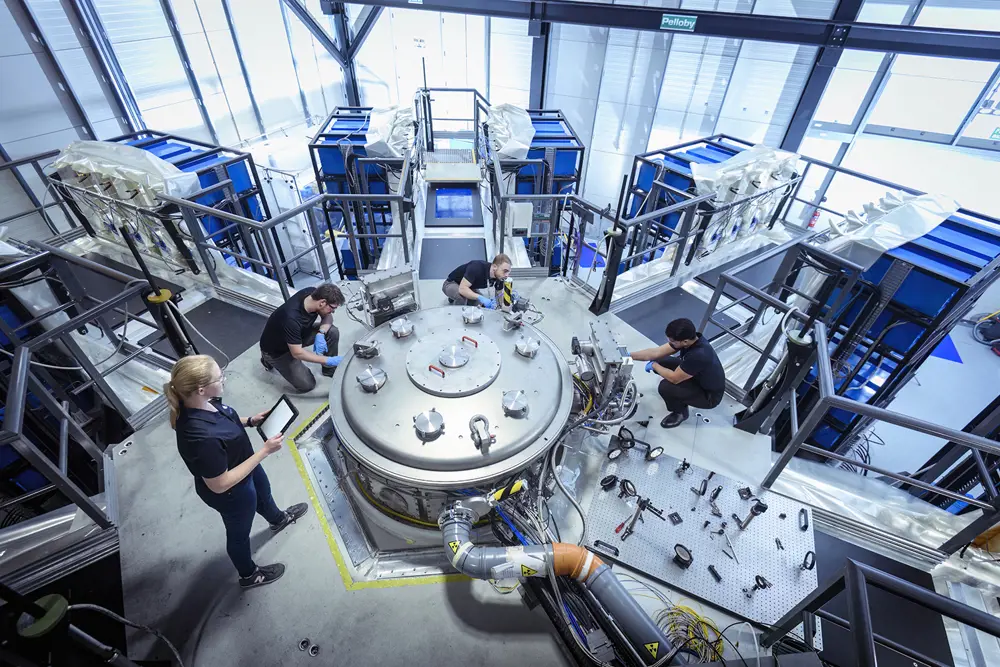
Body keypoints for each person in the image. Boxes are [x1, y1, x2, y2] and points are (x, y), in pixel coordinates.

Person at [166, 355, 308, 589]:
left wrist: (251, 421)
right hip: (232, 492)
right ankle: (249, 574)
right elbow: (219, 484)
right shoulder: (200, 438)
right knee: (239, 534)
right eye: (219, 377)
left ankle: (277, 519)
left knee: (264, 494)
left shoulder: (202, 401)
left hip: (245, 465)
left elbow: (225, 418)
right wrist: (264, 452)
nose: (223, 379)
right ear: (201, 389)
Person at [630, 318, 726, 429]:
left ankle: (680, 413)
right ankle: (683, 394)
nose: (670, 343)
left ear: (684, 341)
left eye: (672, 342)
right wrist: (628, 355)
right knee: (661, 361)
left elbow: (674, 378)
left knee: (666, 387)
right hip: (697, 376)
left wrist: (654, 366)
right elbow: (655, 353)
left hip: (708, 396)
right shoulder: (692, 339)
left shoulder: (699, 355)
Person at [259, 284, 345, 393]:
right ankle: (267, 360)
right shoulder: (291, 319)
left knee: (332, 331)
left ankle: (329, 370)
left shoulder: (313, 293)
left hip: (299, 335)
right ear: (322, 303)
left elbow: (327, 317)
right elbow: (297, 353)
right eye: (332, 308)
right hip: (278, 351)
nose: (332, 311)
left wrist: (321, 333)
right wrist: (329, 360)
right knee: (307, 384)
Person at [442, 253, 512, 308]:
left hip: (470, 286)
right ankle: (458, 319)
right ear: (494, 267)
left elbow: (499, 295)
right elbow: (462, 289)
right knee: (462, 297)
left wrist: (501, 307)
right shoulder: (476, 267)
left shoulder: (500, 276)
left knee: (481, 305)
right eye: (505, 271)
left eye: (508, 272)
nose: (507, 275)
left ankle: (453, 297)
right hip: (451, 283)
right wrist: (480, 297)